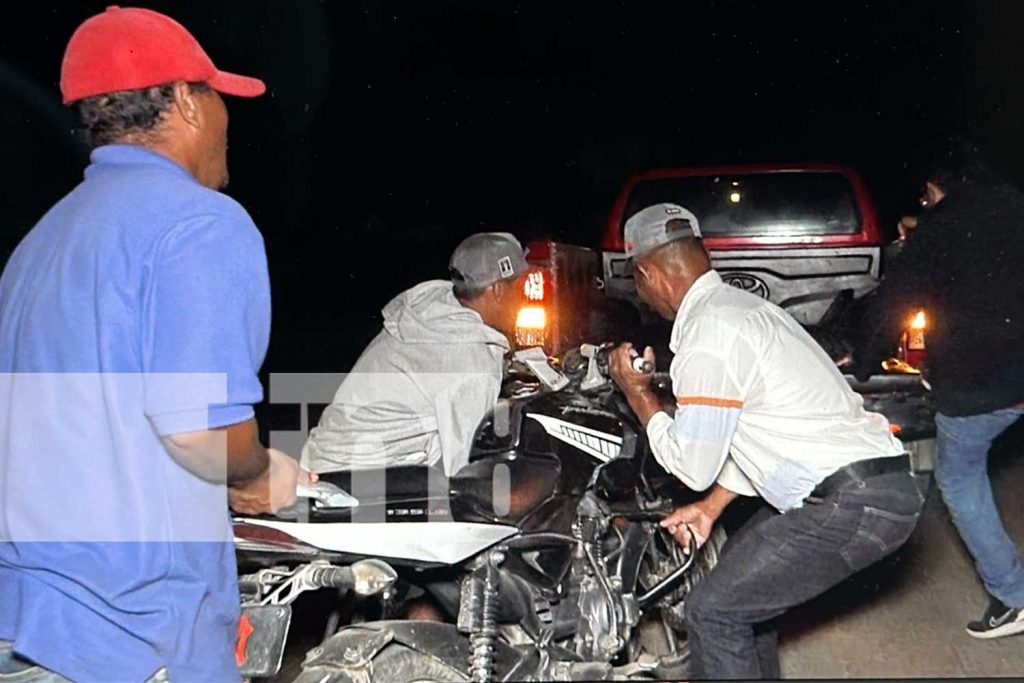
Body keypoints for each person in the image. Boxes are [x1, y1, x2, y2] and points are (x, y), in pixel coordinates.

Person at [0, 7, 313, 681]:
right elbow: (201, 432)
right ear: (182, 102)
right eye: (218, 96)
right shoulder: (199, 225)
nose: (229, 119)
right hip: (136, 639)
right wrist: (259, 473)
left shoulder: (39, 246)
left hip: (26, 623)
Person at [606, 202, 923, 679]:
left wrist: (639, 395)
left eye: (639, 284)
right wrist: (711, 509)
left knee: (713, 611)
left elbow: (691, 466)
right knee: (741, 597)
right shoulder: (746, 309)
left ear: (648, 273)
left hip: (848, 504)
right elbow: (754, 436)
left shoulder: (708, 334)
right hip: (876, 490)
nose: (644, 298)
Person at [858, 142, 1024, 639]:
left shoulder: (940, 228)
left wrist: (864, 362)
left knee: (958, 475)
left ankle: (1014, 597)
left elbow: (894, 305)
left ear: (934, 189)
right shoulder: (1014, 204)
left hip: (984, 385)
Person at [302, 232, 528, 477]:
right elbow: (464, 468)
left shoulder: (431, 312)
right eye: (518, 287)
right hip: (354, 479)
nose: (523, 297)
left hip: (322, 457)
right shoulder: (471, 360)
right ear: (496, 290)